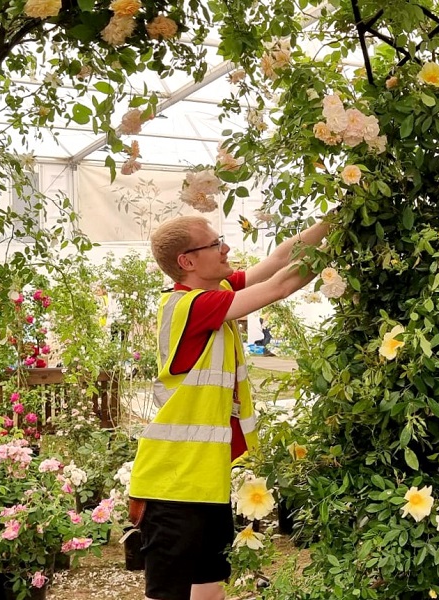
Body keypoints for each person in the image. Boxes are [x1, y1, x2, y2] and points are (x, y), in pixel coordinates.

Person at [128, 214, 330, 600]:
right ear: (187, 261)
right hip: (172, 485)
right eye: (215, 243)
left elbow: (276, 261)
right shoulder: (191, 305)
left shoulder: (214, 291)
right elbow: (280, 285)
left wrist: (334, 222)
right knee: (169, 595)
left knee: (209, 590)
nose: (227, 248)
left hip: (203, 480)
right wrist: (343, 242)